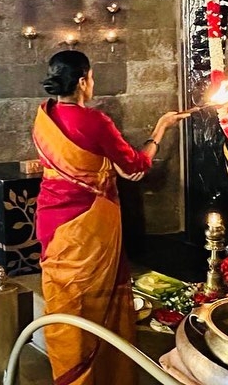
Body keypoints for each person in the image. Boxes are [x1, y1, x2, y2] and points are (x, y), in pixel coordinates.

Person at [32, 50, 189, 385]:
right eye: (91, 78)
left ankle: (70, 371)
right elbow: (135, 168)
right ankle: (95, 373)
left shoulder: (43, 116)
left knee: (65, 299)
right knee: (92, 299)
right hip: (87, 225)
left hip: (51, 220)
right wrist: (160, 130)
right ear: (83, 81)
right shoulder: (95, 122)